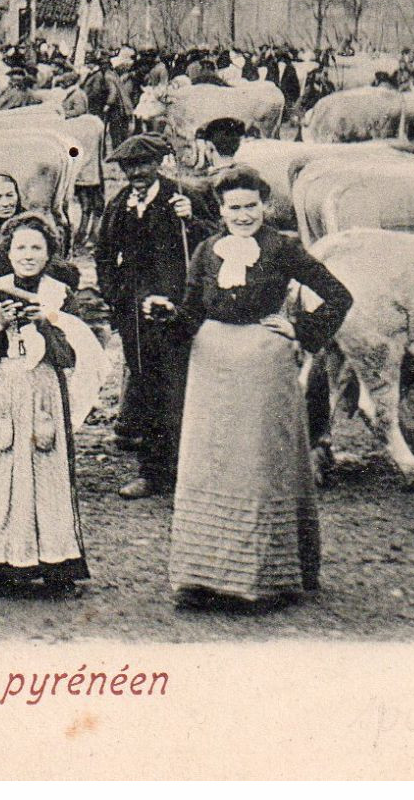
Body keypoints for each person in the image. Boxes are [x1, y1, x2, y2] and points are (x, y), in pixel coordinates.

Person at [165, 165, 352, 610]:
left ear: (263, 206)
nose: (244, 215)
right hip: (210, 363)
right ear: (221, 209)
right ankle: (203, 578)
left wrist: (299, 327)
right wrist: (165, 317)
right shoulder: (208, 250)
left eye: (251, 206)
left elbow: (338, 294)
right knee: (210, 464)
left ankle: (260, 579)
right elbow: (192, 311)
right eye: (235, 207)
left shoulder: (282, 248)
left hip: (262, 365)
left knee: (256, 465)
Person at [0, 212, 90, 597]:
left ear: (49, 254)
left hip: (44, 390)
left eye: (36, 247)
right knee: (2, 473)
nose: (28, 255)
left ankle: (56, 567)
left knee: (47, 474)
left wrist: (45, 322)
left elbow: (69, 356)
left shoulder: (60, 294)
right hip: (5, 390)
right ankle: (0, 565)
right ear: (6, 252)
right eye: (20, 247)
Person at [96, 133, 212, 500]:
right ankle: (151, 472)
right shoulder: (119, 205)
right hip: (136, 318)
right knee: (145, 391)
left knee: (181, 394)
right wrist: (117, 301)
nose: (137, 173)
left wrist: (192, 220)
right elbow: (103, 256)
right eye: (129, 167)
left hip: (178, 314)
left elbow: (216, 244)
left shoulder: (183, 198)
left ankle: (188, 476)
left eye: (143, 165)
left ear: (159, 164)